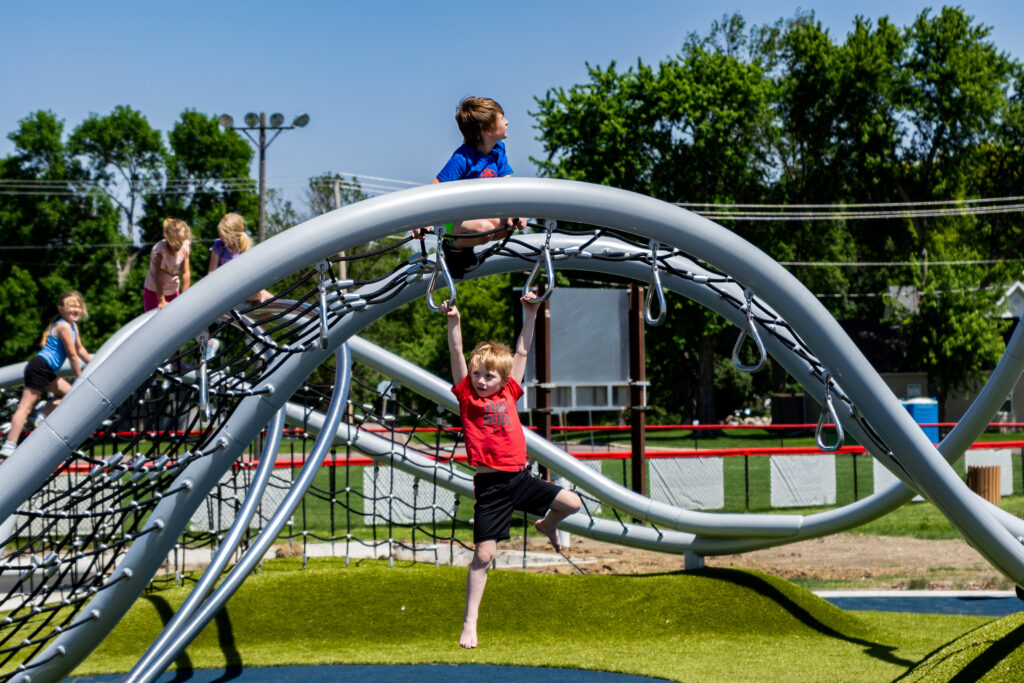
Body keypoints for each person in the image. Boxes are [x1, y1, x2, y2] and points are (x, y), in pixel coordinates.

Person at [441, 293, 581, 649]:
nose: (482, 380)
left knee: (573, 503)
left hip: (521, 478)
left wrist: (530, 314)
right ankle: (470, 622)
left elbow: (521, 354)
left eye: (489, 376)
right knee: (485, 556)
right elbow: (457, 355)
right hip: (492, 488)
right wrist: (453, 320)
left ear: (503, 381)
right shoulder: (466, 398)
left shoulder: (509, 393)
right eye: (478, 375)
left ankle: (547, 523)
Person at [414, 97, 528, 278]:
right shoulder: (463, 158)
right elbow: (433, 190)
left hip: (480, 220)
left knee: (507, 226)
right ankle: (453, 246)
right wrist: (421, 221)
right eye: (501, 118)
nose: (507, 121)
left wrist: (517, 212)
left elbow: (508, 187)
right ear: (485, 128)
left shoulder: (498, 151)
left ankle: (465, 250)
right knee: (483, 229)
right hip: (456, 223)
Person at [1, 291, 91, 458]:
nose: (76, 309)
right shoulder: (63, 326)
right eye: (72, 306)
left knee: (71, 394)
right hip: (39, 367)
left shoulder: (73, 326)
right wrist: (81, 377)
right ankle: (9, 444)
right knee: (24, 407)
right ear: (61, 309)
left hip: (47, 370)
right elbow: (72, 355)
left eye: (78, 306)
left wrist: (94, 364)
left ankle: (41, 414)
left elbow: (80, 349)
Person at [207, 212, 272, 303]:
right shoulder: (218, 245)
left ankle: (273, 311)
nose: (221, 238)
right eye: (220, 235)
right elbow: (211, 272)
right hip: (223, 287)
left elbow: (251, 273)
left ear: (237, 235)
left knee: (267, 297)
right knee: (259, 297)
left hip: (239, 285)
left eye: (224, 236)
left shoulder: (246, 247)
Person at [143, 218, 193, 312]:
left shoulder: (185, 246)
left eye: (181, 243)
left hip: (172, 290)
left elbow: (185, 272)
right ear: (169, 240)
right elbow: (158, 277)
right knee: (154, 320)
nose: (178, 247)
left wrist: (185, 293)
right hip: (154, 292)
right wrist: (162, 300)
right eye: (175, 244)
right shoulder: (160, 251)